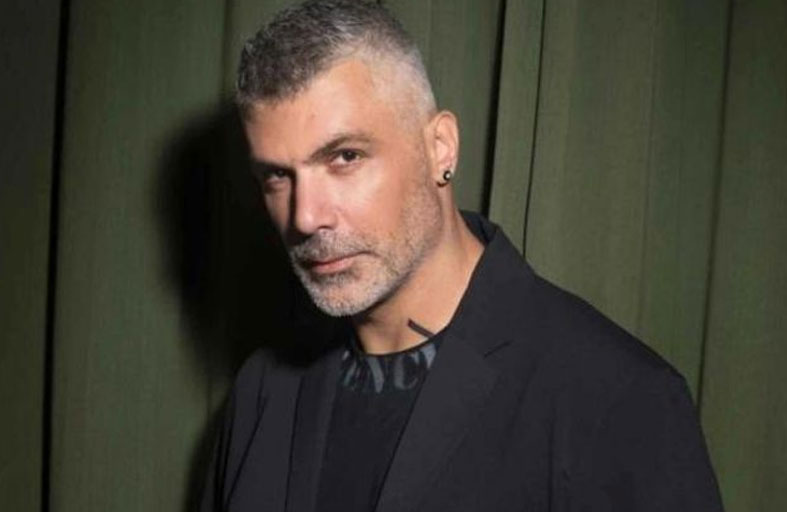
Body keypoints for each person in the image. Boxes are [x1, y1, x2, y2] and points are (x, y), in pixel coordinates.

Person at [201, 1, 724, 511]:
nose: (306, 217)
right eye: (278, 176)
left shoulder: (616, 399)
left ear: (441, 148)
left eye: (345, 157)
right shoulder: (264, 388)